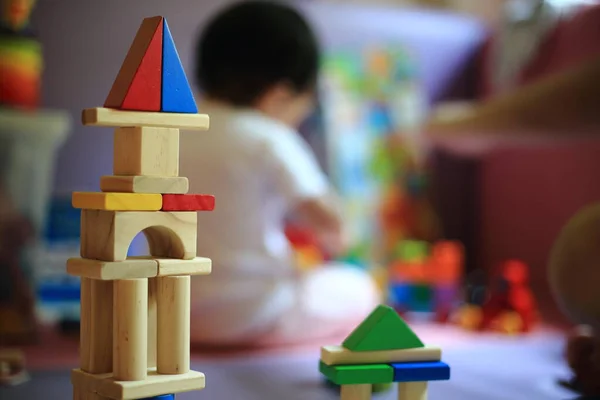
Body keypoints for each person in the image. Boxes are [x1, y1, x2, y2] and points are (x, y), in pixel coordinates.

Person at [179, 0, 380, 347]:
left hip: (174, 314)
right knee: (358, 286)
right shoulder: (270, 136)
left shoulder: (177, 130)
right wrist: (338, 236)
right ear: (280, 95)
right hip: (254, 315)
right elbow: (331, 222)